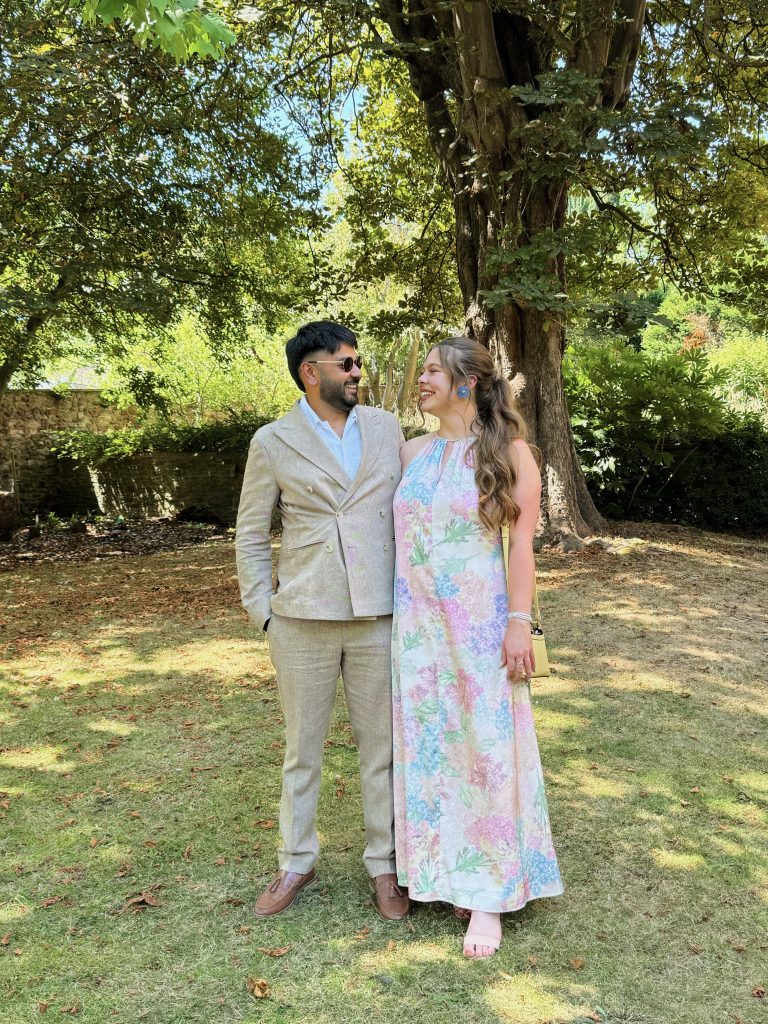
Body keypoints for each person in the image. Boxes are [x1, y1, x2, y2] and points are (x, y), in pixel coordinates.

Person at [392, 336, 563, 958]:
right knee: (430, 750)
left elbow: (521, 549)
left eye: (433, 371)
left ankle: (489, 894)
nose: (422, 380)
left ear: (467, 382)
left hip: (481, 627)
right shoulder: (411, 452)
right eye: (422, 371)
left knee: (485, 751)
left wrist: (519, 623)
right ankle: (442, 873)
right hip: (417, 634)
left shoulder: (512, 454)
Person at [235, 321, 410, 921]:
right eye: (346, 364)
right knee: (302, 750)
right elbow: (251, 533)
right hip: (301, 617)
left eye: (358, 361)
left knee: (382, 750)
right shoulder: (272, 441)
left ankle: (386, 866)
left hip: (378, 614)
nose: (358, 372)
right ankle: (296, 861)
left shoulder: (386, 429)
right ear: (311, 373)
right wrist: (263, 611)